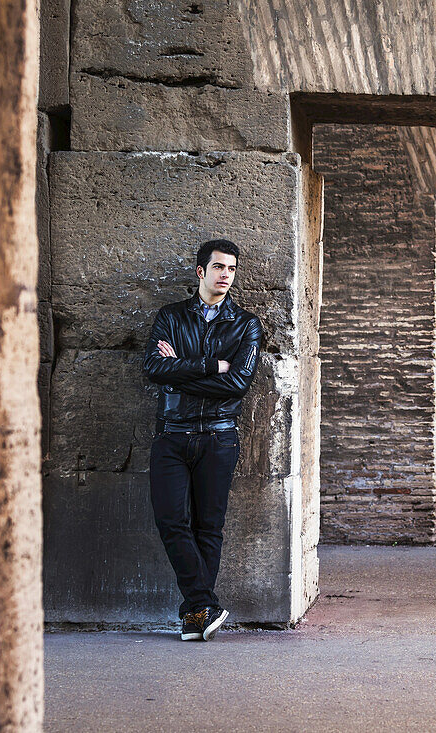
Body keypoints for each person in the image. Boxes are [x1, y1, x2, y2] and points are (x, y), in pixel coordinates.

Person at [142, 239, 264, 641]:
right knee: (171, 521)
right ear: (201, 271)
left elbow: (238, 384)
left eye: (231, 268)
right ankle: (203, 606)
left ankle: (195, 616)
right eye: (218, 267)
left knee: (209, 527)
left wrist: (181, 368)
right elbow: (154, 369)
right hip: (172, 435)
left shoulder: (246, 324)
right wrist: (211, 365)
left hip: (218, 437)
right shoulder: (171, 316)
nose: (225, 275)